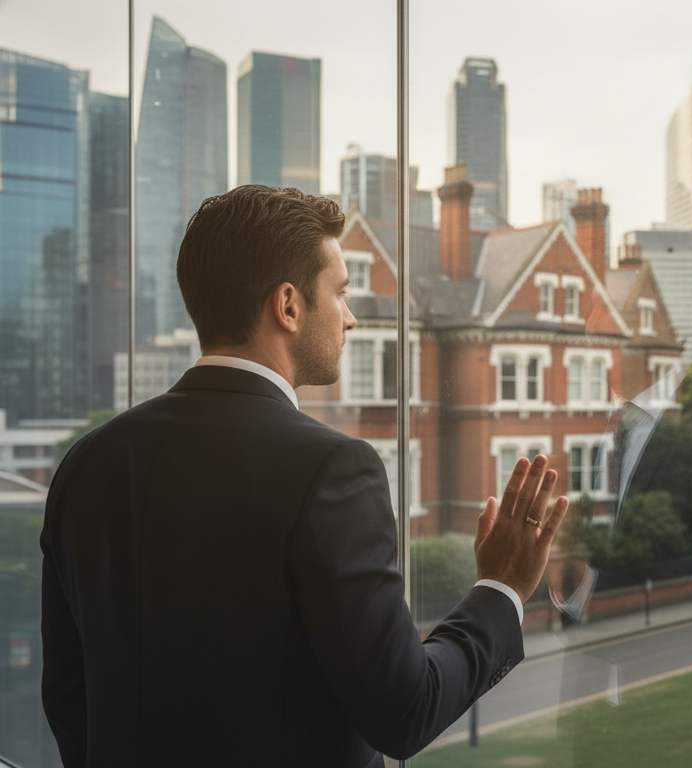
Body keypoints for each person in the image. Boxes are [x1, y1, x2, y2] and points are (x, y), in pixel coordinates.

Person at [40, 185, 569, 767]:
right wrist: (501, 588)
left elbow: (68, 700)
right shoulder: (332, 471)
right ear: (287, 306)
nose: (349, 317)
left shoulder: (85, 463)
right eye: (339, 293)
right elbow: (405, 708)